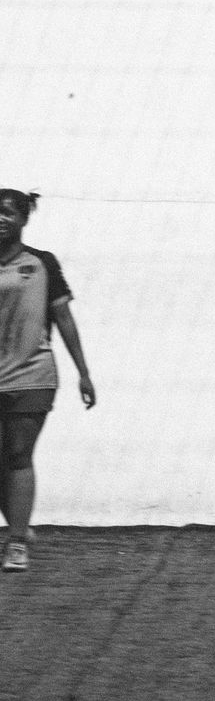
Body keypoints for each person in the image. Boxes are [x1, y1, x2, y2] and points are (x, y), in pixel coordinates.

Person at [0, 189, 96, 573]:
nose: (0, 219)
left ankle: (16, 543)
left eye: (8, 212)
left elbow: (64, 319)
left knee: (18, 454)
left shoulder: (42, 263)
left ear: (24, 218)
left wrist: (84, 373)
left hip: (31, 375)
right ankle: (20, 524)